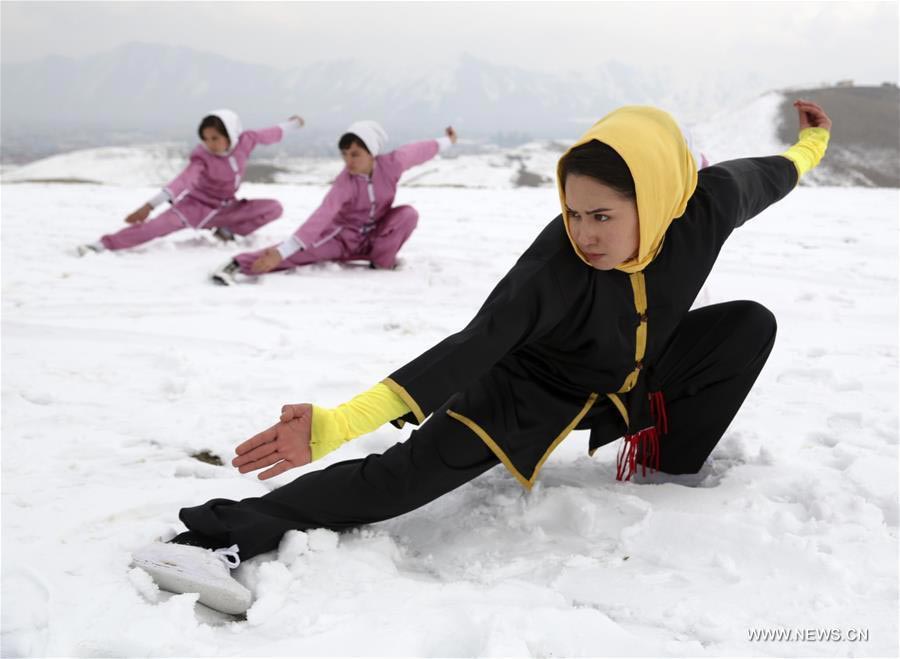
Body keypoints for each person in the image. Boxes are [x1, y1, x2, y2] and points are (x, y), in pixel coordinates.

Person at [132, 100, 832, 614]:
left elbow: (779, 172)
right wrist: (335, 423)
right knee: (397, 482)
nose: (585, 233)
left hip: (634, 373)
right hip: (528, 387)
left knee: (745, 328)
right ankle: (216, 536)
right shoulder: (554, 267)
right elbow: (466, 351)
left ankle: (662, 463)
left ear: (657, 197)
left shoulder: (705, 206)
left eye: (603, 216)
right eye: (573, 212)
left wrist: (815, 139)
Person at [210, 120, 458, 285]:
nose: (348, 161)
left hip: (373, 238)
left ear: (372, 152)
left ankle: (382, 263)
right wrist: (282, 252)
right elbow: (321, 217)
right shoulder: (345, 182)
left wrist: (447, 141)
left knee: (408, 214)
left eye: (355, 154)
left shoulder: (392, 164)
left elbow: (422, 150)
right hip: (341, 240)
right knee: (299, 253)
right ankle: (237, 265)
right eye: (344, 155)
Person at [77, 110, 304, 255]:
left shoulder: (246, 140)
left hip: (225, 209)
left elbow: (271, 133)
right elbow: (182, 181)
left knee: (274, 208)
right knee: (154, 228)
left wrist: (292, 124)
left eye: (215, 138)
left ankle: (225, 231)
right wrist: (149, 206)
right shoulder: (201, 157)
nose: (210, 144)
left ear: (231, 134)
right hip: (194, 208)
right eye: (205, 139)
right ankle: (104, 244)